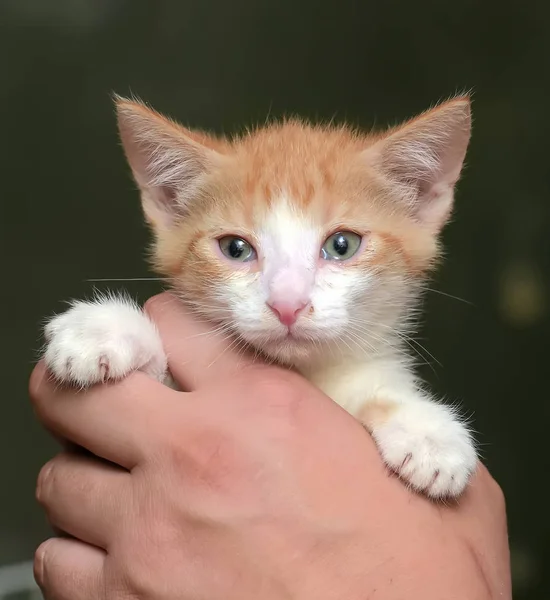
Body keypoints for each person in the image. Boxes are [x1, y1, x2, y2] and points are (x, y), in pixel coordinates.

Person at [29, 293, 512, 599]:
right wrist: (136, 343)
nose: (287, 300)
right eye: (238, 250)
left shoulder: (375, 387)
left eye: (339, 247)